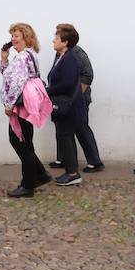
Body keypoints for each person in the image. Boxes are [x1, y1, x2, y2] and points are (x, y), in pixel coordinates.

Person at [1, 23, 50, 198]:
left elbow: (16, 83)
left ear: (26, 37)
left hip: (21, 105)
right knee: (26, 142)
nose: (13, 38)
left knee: (18, 141)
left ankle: (28, 185)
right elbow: (8, 76)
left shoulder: (22, 58)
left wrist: (9, 105)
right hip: (27, 103)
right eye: (12, 35)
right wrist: (4, 59)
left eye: (17, 35)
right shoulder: (28, 54)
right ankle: (40, 174)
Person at [52, 34, 103, 173]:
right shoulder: (59, 53)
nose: (53, 39)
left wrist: (75, 96)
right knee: (62, 129)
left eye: (57, 35)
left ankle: (95, 162)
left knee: (81, 128)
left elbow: (88, 75)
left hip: (76, 100)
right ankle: (63, 159)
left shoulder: (76, 52)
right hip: (61, 100)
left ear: (66, 39)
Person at [47, 23, 86, 187]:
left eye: (56, 38)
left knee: (66, 138)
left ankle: (73, 173)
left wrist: (46, 91)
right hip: (63, 105)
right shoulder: (62, 58)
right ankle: (71, 171)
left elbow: (68, 84)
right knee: (65, 138)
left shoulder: (70, 59)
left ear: (65, 42)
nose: (53, 41)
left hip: (68, 106)